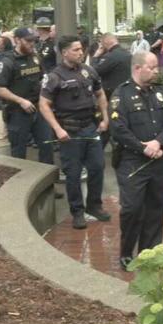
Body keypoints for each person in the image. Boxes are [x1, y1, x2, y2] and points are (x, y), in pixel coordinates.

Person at [110, 51, 163, 269]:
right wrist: (143, 148)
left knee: (156, 208)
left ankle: (150, 252)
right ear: (138, 68)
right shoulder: (121, 95)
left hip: (158, 161)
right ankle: (126, 251)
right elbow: (118, 129)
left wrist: (158, 143)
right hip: (132, 162)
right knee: (132, 209)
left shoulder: (161, 93)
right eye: (152, 67)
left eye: (157, 67)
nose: (157, 71)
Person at [39, 35, 110, 229]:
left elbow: (100, 93)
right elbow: (44, 104)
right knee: (74, 173)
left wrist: (105, 118)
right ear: (64, 53)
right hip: (69, 132)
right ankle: (77, 212)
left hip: (90, 127)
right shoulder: (55, 76)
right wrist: (57, 129)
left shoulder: (89, 71)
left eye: (81, 49)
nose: (81, 53)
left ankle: (94, 206)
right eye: (76, 50)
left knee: (97, 166)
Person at [0, 28, 54, 164]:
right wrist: (21, 101)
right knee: (19, 150)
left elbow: (42, 77)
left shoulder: (35, 57)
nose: (32, 43)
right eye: (28, 41)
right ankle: (21, 181)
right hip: (17, 111)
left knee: (47, 144)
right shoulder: (7, 61)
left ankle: (49, 179)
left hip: (38, 107)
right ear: (17, 40)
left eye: (34, 40)